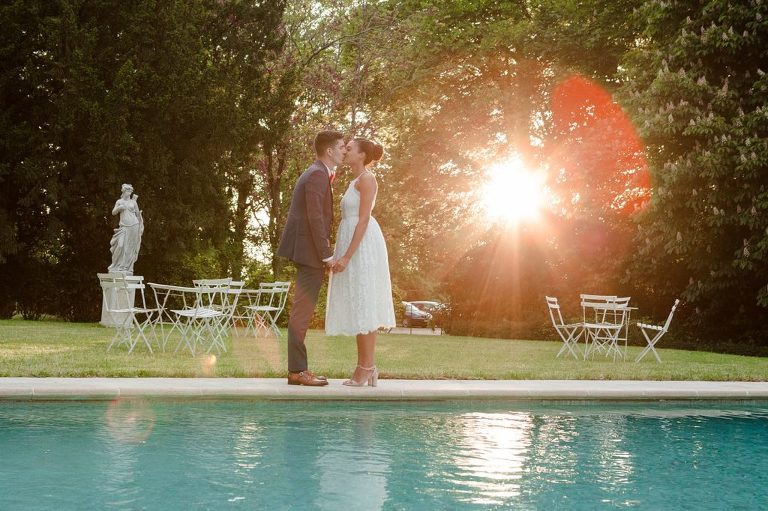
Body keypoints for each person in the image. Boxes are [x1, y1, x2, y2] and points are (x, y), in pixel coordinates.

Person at [277, 130, 346, 386]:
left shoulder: (317, 172)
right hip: (309, 253)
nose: (343, 151)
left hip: (307, 251)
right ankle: (297, 371)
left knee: (301, 311)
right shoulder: (317, 175)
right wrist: (327, 256)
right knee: (302, 312)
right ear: (329, 150)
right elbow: (315, 218)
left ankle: (297, 370)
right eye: (340, 147)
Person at [325, 138, 396, 386]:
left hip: (363, 245)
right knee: (358, 304)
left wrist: (347, 256)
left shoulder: (368, 179)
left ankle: (366, 367)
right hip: (349, 241)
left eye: (350, 148)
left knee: (365, 302)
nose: (345, 150)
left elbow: (363, 220)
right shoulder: (353, 181)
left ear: (362, 155)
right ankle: (366, 367)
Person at [108, 184, 143, 274]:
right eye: (128, 191)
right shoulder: (119, 201)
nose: (130, 193)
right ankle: (115, 264)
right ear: (124, 191)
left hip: (134, 225)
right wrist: (120, 208)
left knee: (130, 247)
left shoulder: (133, 202)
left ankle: (126, 267)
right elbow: (113, 212)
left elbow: (138, 215)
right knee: (120, 245)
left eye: (131, 191)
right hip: (124, 227)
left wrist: (140, 227)